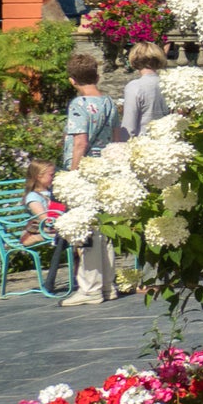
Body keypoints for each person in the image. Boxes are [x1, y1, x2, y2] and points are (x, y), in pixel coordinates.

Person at [58, 53, 119, 306]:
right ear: (97, 76)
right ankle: (108, 285)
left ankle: (90, 287)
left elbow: (80, 141)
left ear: (72, 80)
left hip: (85, 171)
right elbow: (117, 136)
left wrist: (73, 173)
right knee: (103, 227)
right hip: (105, 166)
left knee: (86, 228)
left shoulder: (78, 105)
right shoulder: (109, 102)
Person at [22, 160, 68, 294]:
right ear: (38, 176)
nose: (54, 178)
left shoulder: (54, 192)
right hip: (37, 232)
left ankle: (82, 275)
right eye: (51, 175)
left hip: (54, 229)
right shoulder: (33, 196)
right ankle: (50, 282)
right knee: (71, 237)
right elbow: (44, 219)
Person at [119, 42, 167, 141]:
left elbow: (129, 125)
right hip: (167, 141)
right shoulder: (168, 84)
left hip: (143, 143)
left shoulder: (134, 87)